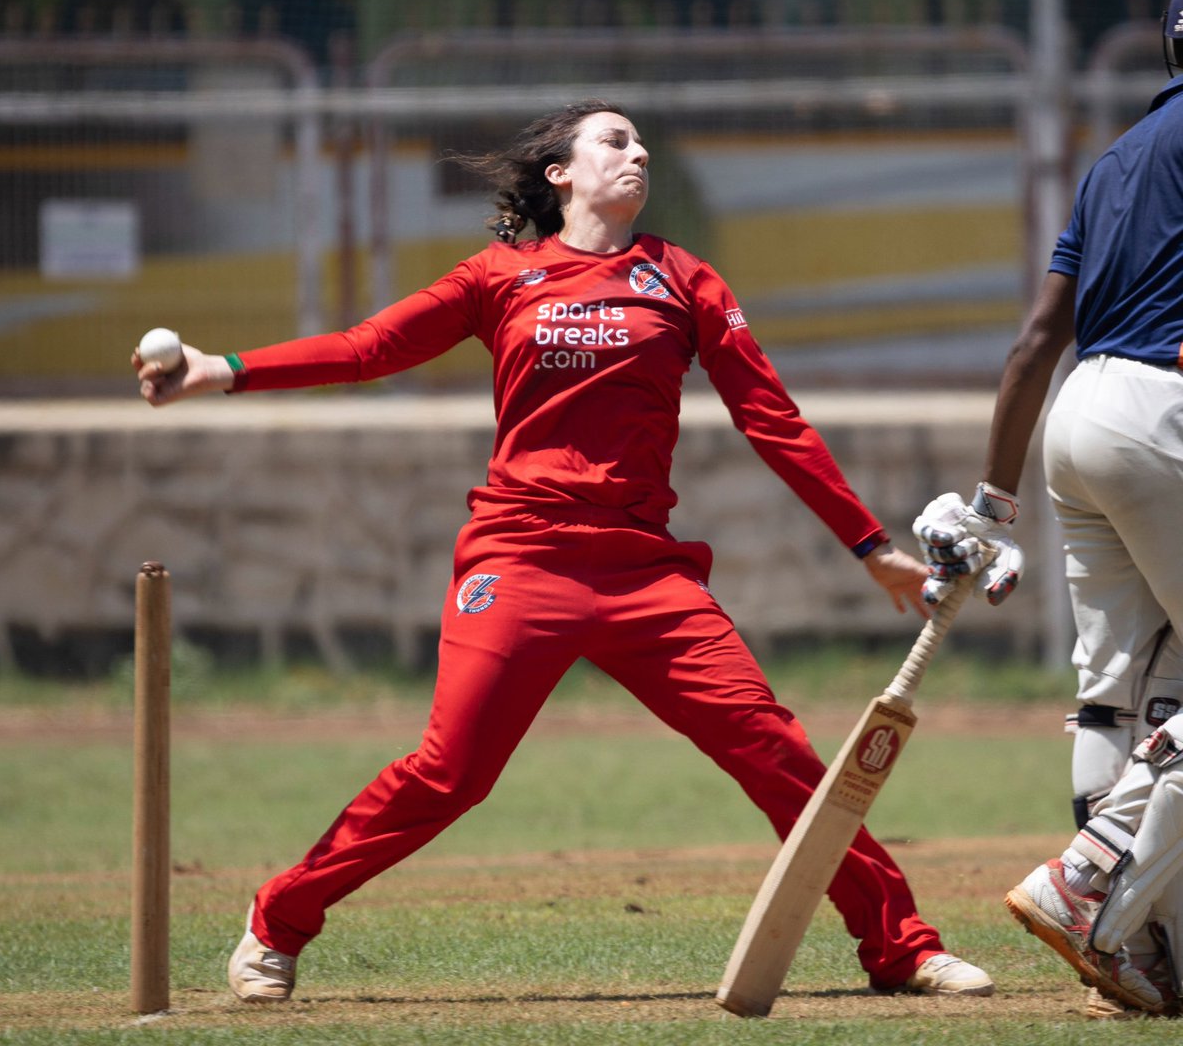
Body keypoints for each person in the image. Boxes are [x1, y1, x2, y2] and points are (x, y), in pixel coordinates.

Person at [136, 98, 993, 1004]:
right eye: (615, 141)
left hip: (644, 573)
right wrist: (220, 370)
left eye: (641, 141)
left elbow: (770, 419)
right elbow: (365, 348)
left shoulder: (685, 279)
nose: (639, 151)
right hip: (519, 559)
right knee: (451, 772)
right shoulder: (496, 277)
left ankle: (903, 949)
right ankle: (278, 921)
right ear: (560, 173)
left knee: (773, 751)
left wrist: (870, 545)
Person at [911, 0, 1183, 1018]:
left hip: (1079, 415)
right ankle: (1092, 890)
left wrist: (993, 501)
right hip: (1165, 407)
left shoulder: (1115, 160)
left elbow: (1037, 339)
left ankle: (1144, 957)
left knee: (1121, 694)